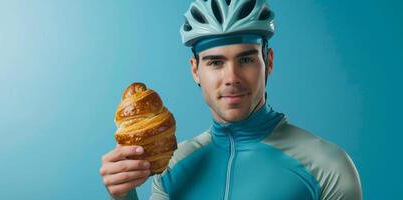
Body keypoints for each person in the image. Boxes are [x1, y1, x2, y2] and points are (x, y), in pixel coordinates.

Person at [100, 0, 362, 199]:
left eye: (246, 59)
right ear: (195, 70)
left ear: (268, 63)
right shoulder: (173, 165)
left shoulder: (326, 167)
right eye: (215, 62)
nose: (232, 78)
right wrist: (125, 195)